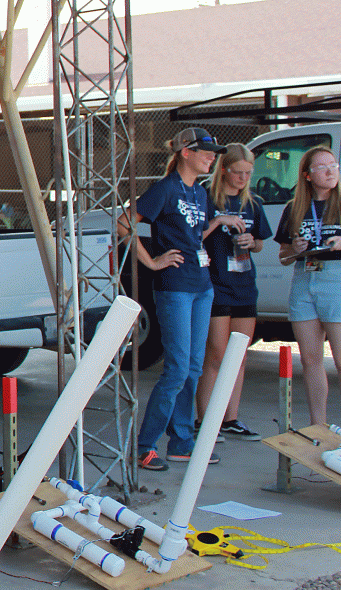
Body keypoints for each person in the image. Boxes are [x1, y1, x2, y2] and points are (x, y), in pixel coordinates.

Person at [122, 127, 229, 472]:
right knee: (178, 368)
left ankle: (182, 442)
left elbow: (196, 232)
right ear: (186, 151)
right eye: (206, 152)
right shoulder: (166, 188)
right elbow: (124, 224)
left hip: (201, 284)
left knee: (194, 367)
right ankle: (144, 445)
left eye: (214, 153)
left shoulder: (199, 191)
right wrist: (152, 261)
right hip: (175, 286)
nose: (212, 158)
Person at [193, 144, 271, 441]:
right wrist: (219, 221)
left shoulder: (253, 202)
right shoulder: (207, 197)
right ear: (224, 169)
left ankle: (231, 418)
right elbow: (195, 235)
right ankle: (205, 419)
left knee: (239, 355)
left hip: (244, 284)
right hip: (215, 282)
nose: (242, 178)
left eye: (248, 173)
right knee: (215, 354)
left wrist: (253, 242)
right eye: (238, 172)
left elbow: (261, 243)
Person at [275, 146, 341, 426]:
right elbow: (283, 257)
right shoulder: (295, 207)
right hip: (304, 277)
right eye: (322, 167)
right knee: (311, 360)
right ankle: (319, 426)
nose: (330, 171)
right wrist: (296, 248)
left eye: (334, 165)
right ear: (307, 176)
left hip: (336, 279)